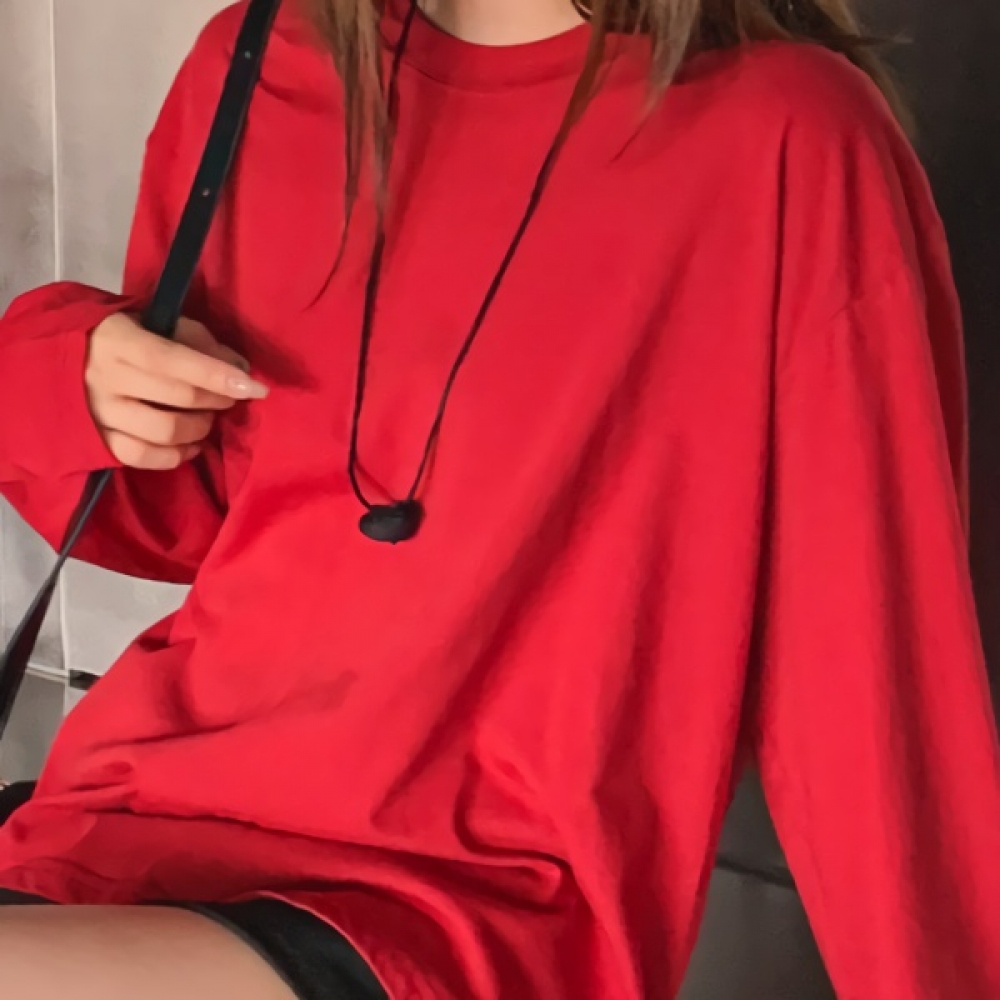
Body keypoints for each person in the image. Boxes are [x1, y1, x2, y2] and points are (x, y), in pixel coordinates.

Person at [1, 0, 998, 997]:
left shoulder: (785, 133)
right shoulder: (257, 60)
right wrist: (65, 375)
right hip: (123, 829)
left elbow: (864, 654)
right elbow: (188, 520)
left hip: (455, 902)